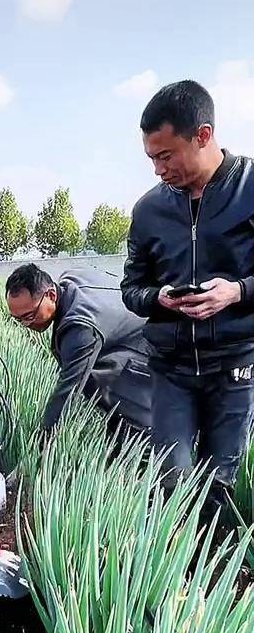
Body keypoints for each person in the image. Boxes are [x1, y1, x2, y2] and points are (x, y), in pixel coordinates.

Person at [121, 79, 254, 510]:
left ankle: (209, 574)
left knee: (218, 486)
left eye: (165, 155)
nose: (158, 169)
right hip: (170, 368)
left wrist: (235, 292)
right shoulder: (148, 210)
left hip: (234, 365)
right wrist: (158, 298)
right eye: (151, 158)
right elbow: (132, 288)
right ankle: (175, 569)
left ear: (203, 135)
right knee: (172, 479)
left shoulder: (250, 189)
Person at [6, 262, 152, 436]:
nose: (25, 325)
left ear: (51, 295)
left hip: (151, 357)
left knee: (138, 440)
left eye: (29, 316)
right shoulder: (71, 279)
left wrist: (43, 439)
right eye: (17, 319)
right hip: (134, 337)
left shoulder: (81, 327)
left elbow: (69, 389)